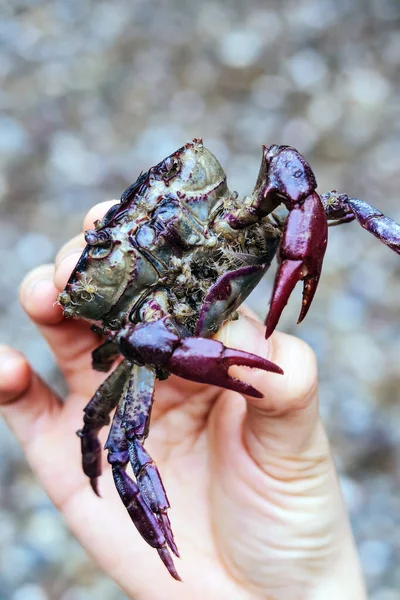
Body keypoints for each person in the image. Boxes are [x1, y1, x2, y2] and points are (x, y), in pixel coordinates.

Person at [0, 201, 366, 600]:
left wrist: (314, 586)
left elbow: (296, 185)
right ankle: (169, 546)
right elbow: (108, 431)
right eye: (108, 249)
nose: (144, 234)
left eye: (154, 207)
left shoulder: (249, 215)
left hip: (225, 240)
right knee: (119, 448)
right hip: (147, 338)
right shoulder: (125, 347)